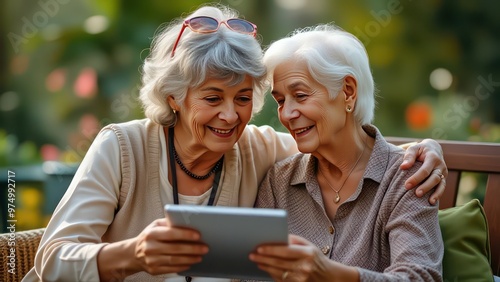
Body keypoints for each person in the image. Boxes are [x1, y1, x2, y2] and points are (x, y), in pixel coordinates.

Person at [23, 5, 446, 282]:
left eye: (243, 98)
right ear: (174, 96)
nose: (230, 116)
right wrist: (130, 255)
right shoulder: (121, 146)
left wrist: (426, 149)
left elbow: (349, 144)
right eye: (212, 98)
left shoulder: (262, 151)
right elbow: (51, 260)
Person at [249, 24, 444, 281]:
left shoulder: (406, 178)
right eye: (281, 101)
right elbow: (252, 275)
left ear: (348, 92)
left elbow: (420, 277)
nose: (287, 114)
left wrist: (332, 274)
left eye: (300, 95)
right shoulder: (278, 181)